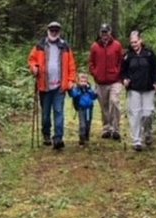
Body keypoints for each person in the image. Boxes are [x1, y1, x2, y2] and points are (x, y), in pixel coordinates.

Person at [28, 21, 77, 150]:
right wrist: (34, 68)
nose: (54, 33)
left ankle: (58, 138)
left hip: (60, 86)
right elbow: (32, 59)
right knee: (45, 114)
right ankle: (46, 135)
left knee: (59, 112)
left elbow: (71, 65)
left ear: (59, 32)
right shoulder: (40, 45)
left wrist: (71, 80)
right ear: (48, 31)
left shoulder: (65, 46)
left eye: (56, 31)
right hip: (44, 86)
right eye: (52, 30)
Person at [121, 29, 156, 151]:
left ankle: (147, 134)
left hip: (148, 88)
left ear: (140, 40)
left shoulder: (149, 54)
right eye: (132, 42)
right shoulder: (127, 56)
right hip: (134, 89)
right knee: (135, 114)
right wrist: (125, 79)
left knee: (147, 114)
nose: (134, 44)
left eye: (136, 41)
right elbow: (123, 71)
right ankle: (137, 140)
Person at [89, 23, 124, 140]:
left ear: (110, 33)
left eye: (107, 32)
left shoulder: (117, 45)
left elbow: (121, 61)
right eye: (103, 32)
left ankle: (116, 129)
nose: (105, 35)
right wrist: (95, 73)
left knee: (114, 102)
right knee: (104, 106)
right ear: (100, 33)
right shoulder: (95, 46)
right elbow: (91, 63)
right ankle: (106, 128)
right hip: (100, 81)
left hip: (115, 80)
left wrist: (118, 72)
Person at [70, 72, 98, 146]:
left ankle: (86, 137)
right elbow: (73, 94)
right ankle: (81, 139)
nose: (83, 83)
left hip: (89, 109)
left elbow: (94, 96)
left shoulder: (88, 89)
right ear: (78, 81)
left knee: (88, 124)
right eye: (81, 81)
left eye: (84, 81)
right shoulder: (77, 89)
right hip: (81, 108)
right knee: (82, 124)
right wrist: (79, 89)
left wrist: (91, 90)